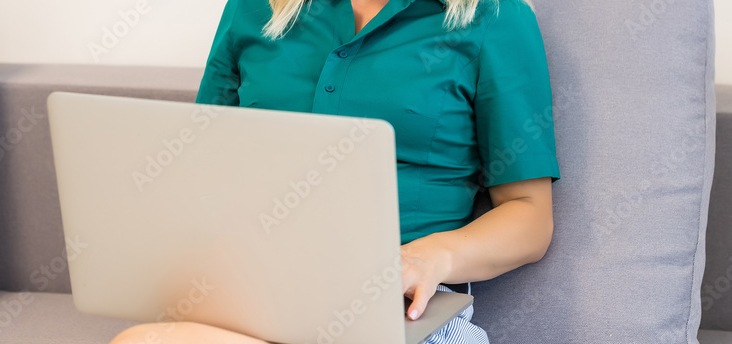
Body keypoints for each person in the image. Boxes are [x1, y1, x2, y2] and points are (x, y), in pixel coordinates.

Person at [112, 0, 559, 342]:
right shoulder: (254, 10)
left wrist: (434, 256)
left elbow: (529, 215)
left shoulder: (494, 18)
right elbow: (204, 172)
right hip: (257, 301)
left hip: (400, 314)